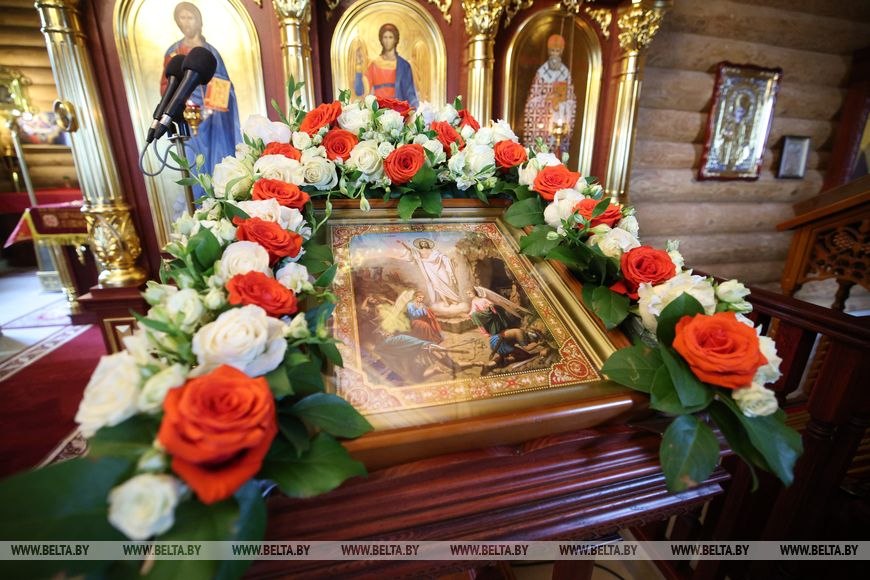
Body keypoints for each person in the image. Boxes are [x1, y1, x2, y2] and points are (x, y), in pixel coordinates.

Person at [162, 2, 240, 198]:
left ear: (198, 20)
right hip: (186, 122)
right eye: (182, 18)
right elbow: (167, 86)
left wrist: (209, 109)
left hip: (213, 122)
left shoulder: (210, 53)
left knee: (216, 162)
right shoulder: (173, 53)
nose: (186, 22)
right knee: (193, 167)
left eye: (190, 17)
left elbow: (223, 84)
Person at [522, 34, 577, 157]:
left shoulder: (565, 74)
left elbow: (571, 101)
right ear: (548, 51)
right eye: (552, 51)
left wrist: (561, 105)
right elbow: (532, 101)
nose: (555, 54)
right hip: (541, 124)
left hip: (558, 121)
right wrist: (547, 100)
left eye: (557, 51)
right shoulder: (541, 73)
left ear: (561, 51)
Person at [353, 23, 419, 107]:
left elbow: (410, 93)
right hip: (379, 109)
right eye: (385, 37)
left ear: (395, 39)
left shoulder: (404, 66)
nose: (387, 41)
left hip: (397, 110)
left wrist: (415, 106)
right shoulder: (374, 65)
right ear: (381, 39)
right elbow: (360, 91)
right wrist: (358, 69)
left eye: (390, 37)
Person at [397, 238, 461, 306]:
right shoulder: (419, 251)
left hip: (437, 266)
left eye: (424, 243)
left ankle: (453, 299)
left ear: (427, 244)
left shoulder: (433, 251)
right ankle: (446, 302)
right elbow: (410, 250)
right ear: (420, 245)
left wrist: (446, 258)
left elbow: (439, 256)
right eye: (422, 243)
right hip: (428, 269)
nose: (423, 244)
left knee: (447, 282)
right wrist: (402, 243)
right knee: (437, 286)